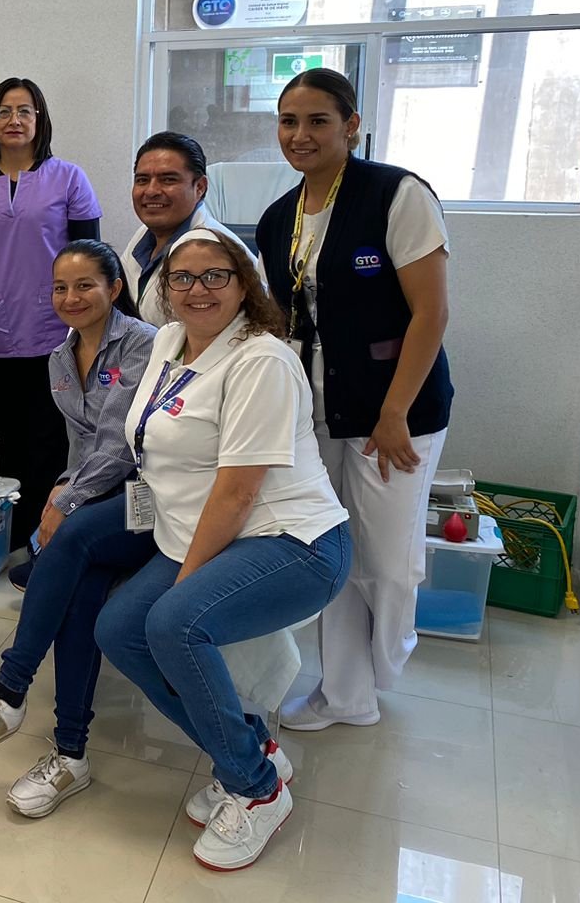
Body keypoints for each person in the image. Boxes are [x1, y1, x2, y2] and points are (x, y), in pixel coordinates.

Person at [93, 230, 351, 871]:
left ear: (244, 284)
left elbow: (238, 492)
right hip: (203, 536)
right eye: (182, 277)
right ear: (165, 286)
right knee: (118, 629)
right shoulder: (170, 342)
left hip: (294, 542)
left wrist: (185, 587)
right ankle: (252, 748)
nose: (198, 289)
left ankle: (256, 790)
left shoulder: (262, 360)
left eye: (216, 275)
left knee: (174, 624)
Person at [255, 68, 453, 732]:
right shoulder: (278, 218)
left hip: (396, 413)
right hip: (318, 413)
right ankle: (345, 693)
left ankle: (385, 664)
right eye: (289, 121)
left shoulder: (396, 195)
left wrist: (394, 413)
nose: (300, 135)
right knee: (332, 550)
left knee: (388, 561)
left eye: (318, 120)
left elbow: (430, 313)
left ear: (352, 126)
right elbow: (283, 319)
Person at [0, 241, 157, 818]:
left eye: (85, 285)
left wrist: (66, 501)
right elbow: (80, 445)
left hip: (150, 498)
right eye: (60, 287)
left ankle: (9, 690)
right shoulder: (60, 357)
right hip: (97, 501)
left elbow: (122, 444)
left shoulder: (144, 344)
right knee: (81, 587)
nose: (71, 297)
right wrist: (63, 488)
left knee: (69, 540)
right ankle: (71, 754)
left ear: (114, 287)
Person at [0, 77, 103, 552]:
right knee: (8, 436)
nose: (14, 120)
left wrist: (94, 326)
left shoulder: (69, 178)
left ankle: (43, 537)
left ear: (39, 120)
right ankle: (13, 536)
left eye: (24, 111)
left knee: (50, 440)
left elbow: (91, 259)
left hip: (57, 333)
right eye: (4, 111)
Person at [120, 132, 247, 324]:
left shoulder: (209, 247)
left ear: (200, 187)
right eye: (142, 180)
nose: (151, 191)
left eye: (168, 180)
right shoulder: (143, 236)